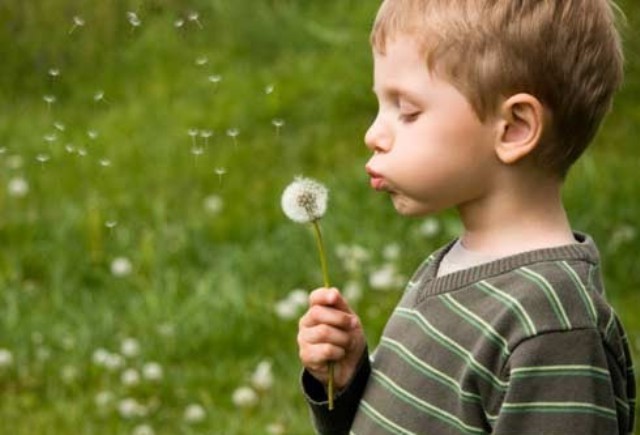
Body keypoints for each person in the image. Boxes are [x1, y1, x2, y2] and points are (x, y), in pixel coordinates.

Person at [296, 0, 636, 433]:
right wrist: (348, 385)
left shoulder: (552, 330)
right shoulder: (458, 267)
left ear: (513, 127)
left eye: (407, 111)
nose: (373, 134)